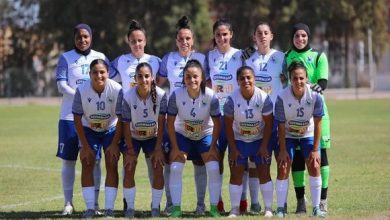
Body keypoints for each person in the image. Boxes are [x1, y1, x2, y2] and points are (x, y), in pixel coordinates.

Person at [157, 15, 208, 215]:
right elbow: (156, 84)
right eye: (180, 39)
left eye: (187, 38)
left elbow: (211, 85)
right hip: (175, 119)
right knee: (172, 160)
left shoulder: (202, 59)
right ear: (176, 41)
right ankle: (171, 204)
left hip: (199, 118)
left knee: (199, 161)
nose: (184, 42)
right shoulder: (168, 59)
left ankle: (201, 206)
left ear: (192, 40)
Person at [55, 23, 108, 215]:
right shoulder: (66, 58)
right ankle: (68, 203)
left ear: (91, 37)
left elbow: (110, 80)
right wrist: (81, 95)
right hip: (70, 116)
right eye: (79, 37)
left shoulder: (100, 57)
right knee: (69, 160)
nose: (82, 40)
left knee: (94, 160)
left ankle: (94, 204)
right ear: (74, 38)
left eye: (86, 36)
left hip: (95, 117)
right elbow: (61, 85)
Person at [110, 19, 161, 211]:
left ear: (145, 41)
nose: (137, 44)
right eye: (133, 41)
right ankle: (127, 203)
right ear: (128, 42)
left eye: (140, 40)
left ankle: (157, 205)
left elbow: (162, 83)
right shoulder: (120, 61)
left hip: (151, 122)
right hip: (129, 121)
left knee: (154, 165)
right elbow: (109, 80)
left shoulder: (156, 61)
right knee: (129, 164)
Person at [285, 23, 331, 214]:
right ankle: (300, 201)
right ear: (292, 37)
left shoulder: (319, 56)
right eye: (297, 36)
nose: (300, 39)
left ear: (308, 36)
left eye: (304, 35)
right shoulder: (287, 57)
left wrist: (312, 90)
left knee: (321, 157)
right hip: (294, 114)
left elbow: (323, 83)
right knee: (297, 159)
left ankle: (322, 200)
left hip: (318, 114)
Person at [167, 59, 222, 217]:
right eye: (188, 77)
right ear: (183, 78)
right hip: (182, 134)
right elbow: (169, 123)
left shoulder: (211, 96)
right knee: (176, 168)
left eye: (195, 76)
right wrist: (175, 148)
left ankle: (213, 208)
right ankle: (176, 208)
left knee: (212, 168)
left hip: (205, 134)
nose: (192, 80)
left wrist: (212, 147)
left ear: (202, 78)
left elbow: (217, 123)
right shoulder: (176, 95)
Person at [243, 22, 286, 216]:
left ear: (271, 36)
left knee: (281, 160)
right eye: (258, 33)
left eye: (266, 33)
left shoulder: (281, 57)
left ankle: (280, 204)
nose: (262, 36)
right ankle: (255, 203)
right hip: (255, 118)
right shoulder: (247, 59)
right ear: (254, 37)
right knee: (257, 161)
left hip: (277, 117)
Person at [274, 61, 326, 218]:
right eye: (295, 78)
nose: (298, 82)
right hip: (289, 135)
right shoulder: (281, 97)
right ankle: (281, 208)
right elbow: (281, 127)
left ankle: (317, 208)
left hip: (307, 134)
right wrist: (282, 151)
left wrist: (316, 150)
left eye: (301, 78)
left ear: (307, 78)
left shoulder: (316, 96)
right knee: (283, 166)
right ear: (290, 79)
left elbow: (318, 124)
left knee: (314, 165)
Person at [72, 59, 123, 218]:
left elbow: (122, 119)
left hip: (111, 128)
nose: (99, 75)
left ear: (108, 73)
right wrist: (85, 146)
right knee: (87, 161)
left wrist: (115, 144)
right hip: (89, 129)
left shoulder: (116, 89)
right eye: (95, 72)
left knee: (112, 161)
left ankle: (109, 209)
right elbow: (77, 118)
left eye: (102, 72)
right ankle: (90, 209)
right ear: (90, 74)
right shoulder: (81, 90)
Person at [205, 18, 245, 213]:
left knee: (238, 158)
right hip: (216, 117)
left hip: (237, 115)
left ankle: (243, 200)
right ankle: (218, 200)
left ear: (231, 35)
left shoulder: (240, 55)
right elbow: (205, 84)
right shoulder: (209, 57)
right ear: (214, 36)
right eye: (218, 35)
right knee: (217, 158)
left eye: (225, 34)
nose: (222, 38)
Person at [223, 66, 273, 218]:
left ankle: (269, 208)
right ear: (237, 81)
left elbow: (269, 125)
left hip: (259, 139)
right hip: (239, 140)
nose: (246, 80)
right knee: (236, 173)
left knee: (264, 171)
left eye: (248, 77)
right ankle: (235, 209)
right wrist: (233, 149)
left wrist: (264, 146)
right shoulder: (231, 100)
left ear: (254, 79)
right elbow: (228, 127)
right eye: (242, 78)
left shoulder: (264, 98)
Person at [121, 63, 167, 218]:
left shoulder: (161, 95)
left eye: (147, 76)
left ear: (152, 78)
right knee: (128, 167)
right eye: (140, 76)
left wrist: (159, 148)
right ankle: (130, 208)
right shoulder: (128, 96)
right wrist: (129, 149)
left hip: (153, 137)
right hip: (133, 136)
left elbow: (162, 123)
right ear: (135, 78)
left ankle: (155, 207)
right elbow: (125, 124)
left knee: (157, 168)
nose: (143, 79)